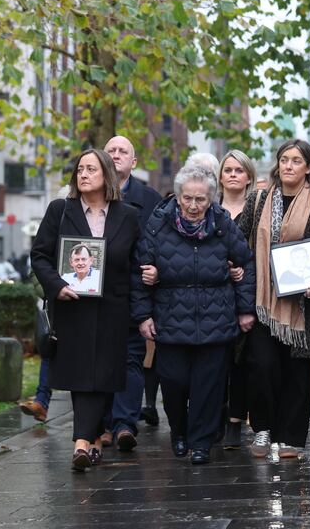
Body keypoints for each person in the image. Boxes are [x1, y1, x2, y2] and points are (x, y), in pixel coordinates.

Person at [131, 166, 255, 465]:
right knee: (173, 382)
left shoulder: (223, 224)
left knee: (208, 386)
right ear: (178, 196)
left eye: (201, 199)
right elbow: (140, 271)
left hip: (216, 316)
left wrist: (245, 309)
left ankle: (200, 442)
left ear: (211, 199)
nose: (193, 205)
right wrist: (143, 315)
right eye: (188, 198)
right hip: (171, 316)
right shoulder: (159, 223)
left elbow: (245, 265)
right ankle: (179, 431)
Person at [31, 148, 140, 471]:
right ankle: (82, 443)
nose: (83, 175)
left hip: (112, 308)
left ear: (106, 174)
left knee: (105, 376)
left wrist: (149, 275)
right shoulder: (60, 211)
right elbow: (39, 255)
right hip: (72, 307)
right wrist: (56, 285)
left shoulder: (128, 215)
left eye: (91, 169)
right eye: (80, 169)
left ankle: (93, 441)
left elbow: (137, 260)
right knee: (82, 374)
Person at [237, 139, 310, 459]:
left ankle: (292, 438)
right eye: (284, 160)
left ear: (308, 167)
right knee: (262, 366)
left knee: (298, 372)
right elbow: (240, 242)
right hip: (264, 301)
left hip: (305, 304)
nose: (289, 166)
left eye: (296, 160)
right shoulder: (260, 199)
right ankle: (263, 430)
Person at [103, 135, 162, 451]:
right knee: (100, 358)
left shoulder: (150, 199)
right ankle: (103, 423)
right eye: (110, 150)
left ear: (134, 161)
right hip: (97, 293)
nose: (115, 155)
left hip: (134, 292)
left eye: (122, 151)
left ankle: (125, 424)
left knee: (131, 357)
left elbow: (161, 243)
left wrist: (157, 270)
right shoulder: (89, 195)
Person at [217, 149, 258, 450]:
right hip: (213, 295)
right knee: (216, 362)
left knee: (242, 361)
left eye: (238, 170)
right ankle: (215, 416)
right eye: (228, 169)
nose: (233, 174)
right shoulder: (209, 208)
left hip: (248, 293)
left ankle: (235, 420)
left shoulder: (257, 210)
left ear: (248, 176)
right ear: (220, 176)